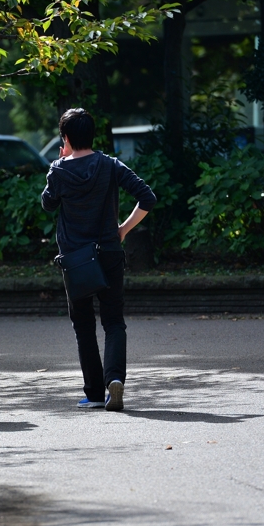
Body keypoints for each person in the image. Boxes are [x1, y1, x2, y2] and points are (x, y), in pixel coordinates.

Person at [41, 108, 156, 411]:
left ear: (65, 137)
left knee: (83, 324)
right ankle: (114, 380)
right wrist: (122, 230)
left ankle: (93, 392)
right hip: (109, 252)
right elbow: (148, 197)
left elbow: (48, 204)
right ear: (93, 134)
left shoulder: (59, 169)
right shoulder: (110, 165)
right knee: (114, 321)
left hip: (76, 258)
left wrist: (61, 160)